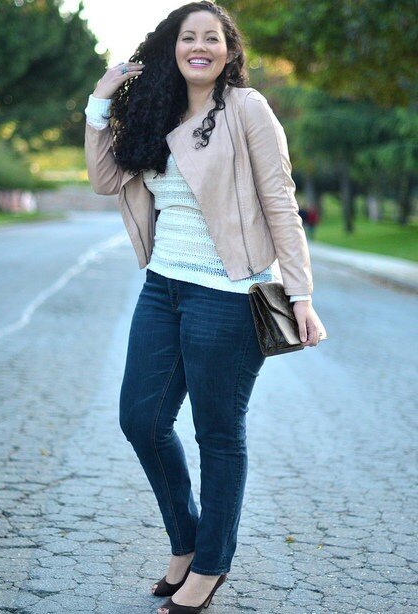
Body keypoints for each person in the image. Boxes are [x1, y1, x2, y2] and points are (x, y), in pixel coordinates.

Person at [84, 2, 323, 612]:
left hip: (230, 294)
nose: (199, 46)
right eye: (188, 37)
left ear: (228, 50)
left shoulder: (247, 109)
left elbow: (281, 202)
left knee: (217, 433)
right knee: (141, 419)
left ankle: (209, 565)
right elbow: (106, 180)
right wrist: (100, 101)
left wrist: (300, 294)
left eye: (211, 38)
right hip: (162, 288)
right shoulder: (153, 112)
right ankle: (187, 544)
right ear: (172, 48)